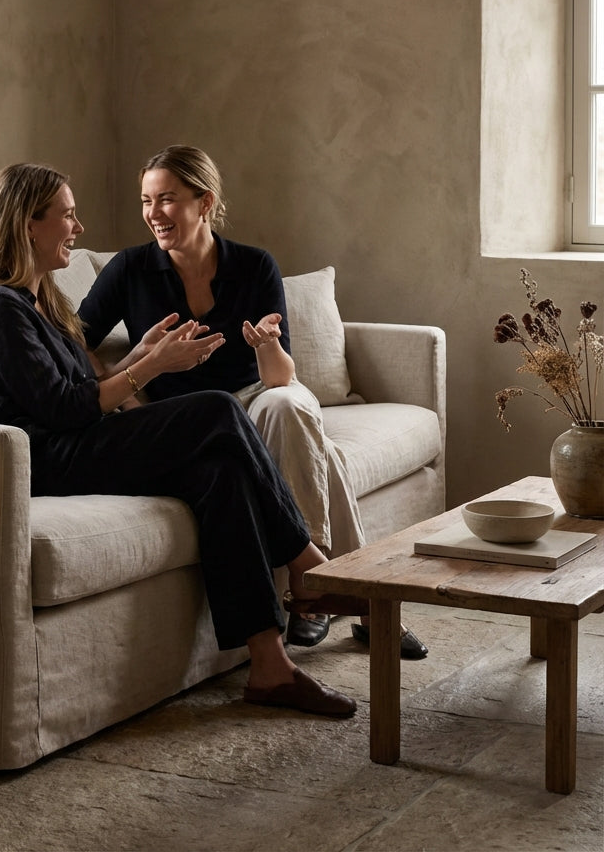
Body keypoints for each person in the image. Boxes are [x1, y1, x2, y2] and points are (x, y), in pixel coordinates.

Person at [0, 162, 367, 718]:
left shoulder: (37, 300)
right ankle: (308, 564)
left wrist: (139, 354)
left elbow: (76, 385)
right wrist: (150, 369)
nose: (78, 227)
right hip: (48, 459)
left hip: (79, 442)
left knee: (219, 472)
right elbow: (63, 409)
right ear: (28, 224)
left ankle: (270, 667)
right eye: (67, 215)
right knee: (217, 409)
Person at [77, 145, 427, 660]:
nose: (153, 213)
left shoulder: (254, 265)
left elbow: (281, 379)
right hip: (188, 415)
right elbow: (73, 339)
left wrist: (267, 346)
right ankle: (352, 600)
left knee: (288, 407)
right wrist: (127, 392)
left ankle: (314, 587)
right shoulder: (130, 268)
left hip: (256, 395)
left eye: (167, 199)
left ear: (204, 202)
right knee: (323, 454)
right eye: (147, 201)